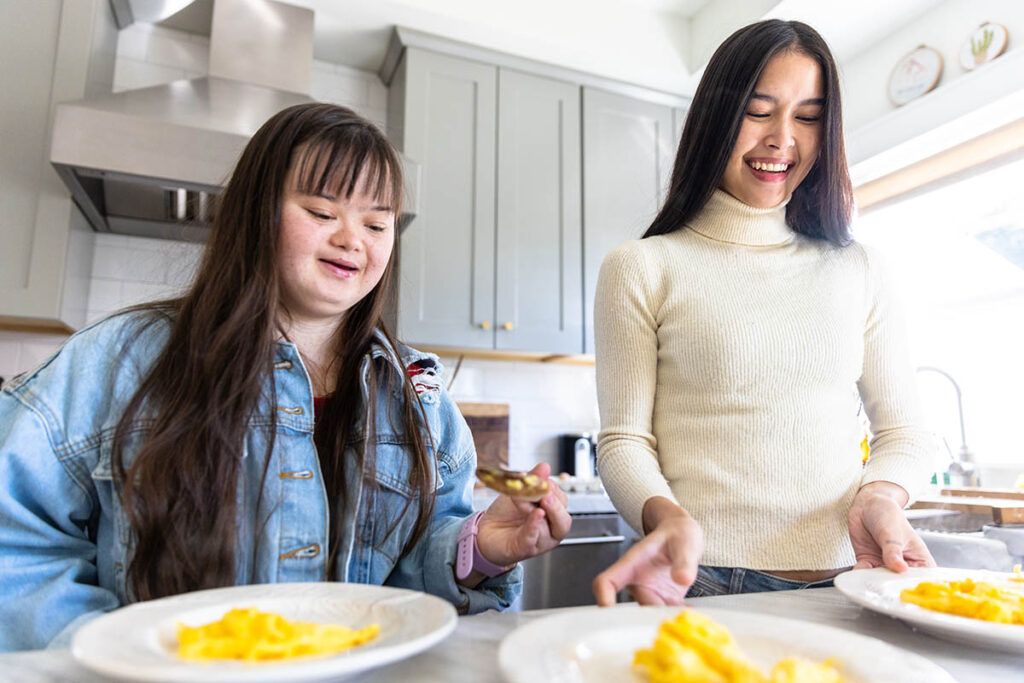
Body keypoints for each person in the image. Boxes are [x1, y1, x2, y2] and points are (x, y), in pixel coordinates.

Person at [0, 103, 569, 651]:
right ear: (256, 211)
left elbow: (411, 574)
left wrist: (483, 549)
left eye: (377, 222)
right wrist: (116, 657)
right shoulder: (120, 359)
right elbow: (17, 538)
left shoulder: (418, 395)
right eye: (322, 213)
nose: (353, 239)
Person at [591, 19, 936, 606]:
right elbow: (625, 439)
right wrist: (664, 516)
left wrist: (880, 496)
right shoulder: (642, 266)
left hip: (850, 580)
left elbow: (905, 432)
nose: (782, 139)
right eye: (758, 111)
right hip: (701, 578)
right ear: (715, 119)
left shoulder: (861, 269)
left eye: (807, 117)